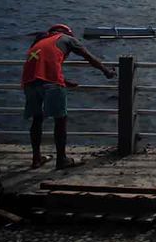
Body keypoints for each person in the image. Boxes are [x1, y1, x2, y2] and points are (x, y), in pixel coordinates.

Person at [21, 23, 116, 169]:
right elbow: (89, 57)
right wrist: (106, 71)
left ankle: (36, 159)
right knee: (60, 120)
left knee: (37, 119)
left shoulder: (41, 41)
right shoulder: (67, 39)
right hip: (51, 83)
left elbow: (42, 65)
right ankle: (61, 160)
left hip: (29, 81)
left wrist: (64, 81)